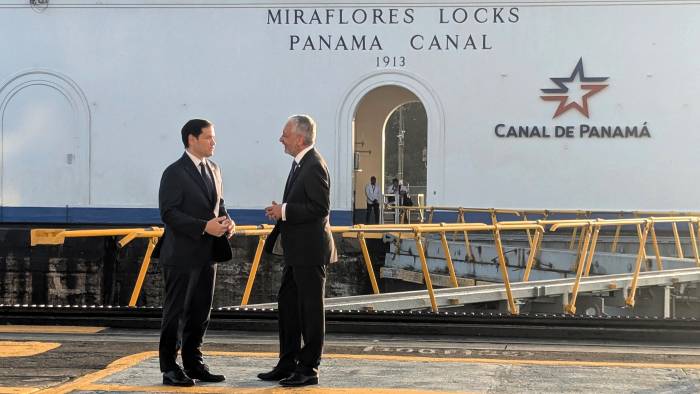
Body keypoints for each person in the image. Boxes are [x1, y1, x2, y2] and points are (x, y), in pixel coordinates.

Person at [154, 118, 235, 387]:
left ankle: (193, 362)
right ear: (192, 139)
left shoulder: (214, 169)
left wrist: (226, 222)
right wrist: (204, 227)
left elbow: (218, 205)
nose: (214, 142)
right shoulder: (174, 173)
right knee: (176, 312)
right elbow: (169, 213)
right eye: (209, 138)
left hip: (207, 254)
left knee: (201, 311)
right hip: (180, 255)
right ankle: (169, 368)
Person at [260, 114, 337, 387]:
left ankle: (309, 368)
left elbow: (320, 208)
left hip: (310, 252)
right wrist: (282, 211)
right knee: (289, 306)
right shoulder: (301, 163)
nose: (281, 139)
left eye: (285, 134)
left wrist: (285, 210)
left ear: (300, 138)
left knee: (310, 310)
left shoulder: (314, 165)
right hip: (298, 252)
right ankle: (287, 362)